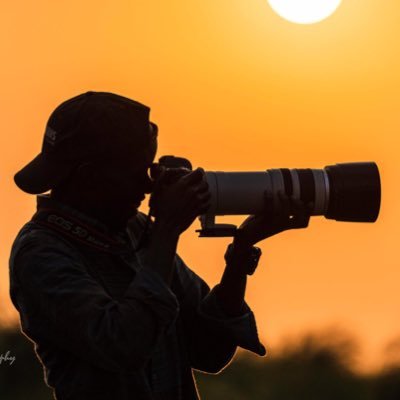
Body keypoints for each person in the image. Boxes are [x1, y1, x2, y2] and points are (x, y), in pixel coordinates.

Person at [9, 91, 312, 400]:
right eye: (137, 170)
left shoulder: (135, 229)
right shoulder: (41, 254)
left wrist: (239, 254)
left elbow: (210, 352)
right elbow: (123, 345)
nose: (148, 184)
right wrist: (166, 230)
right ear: (90, 175)